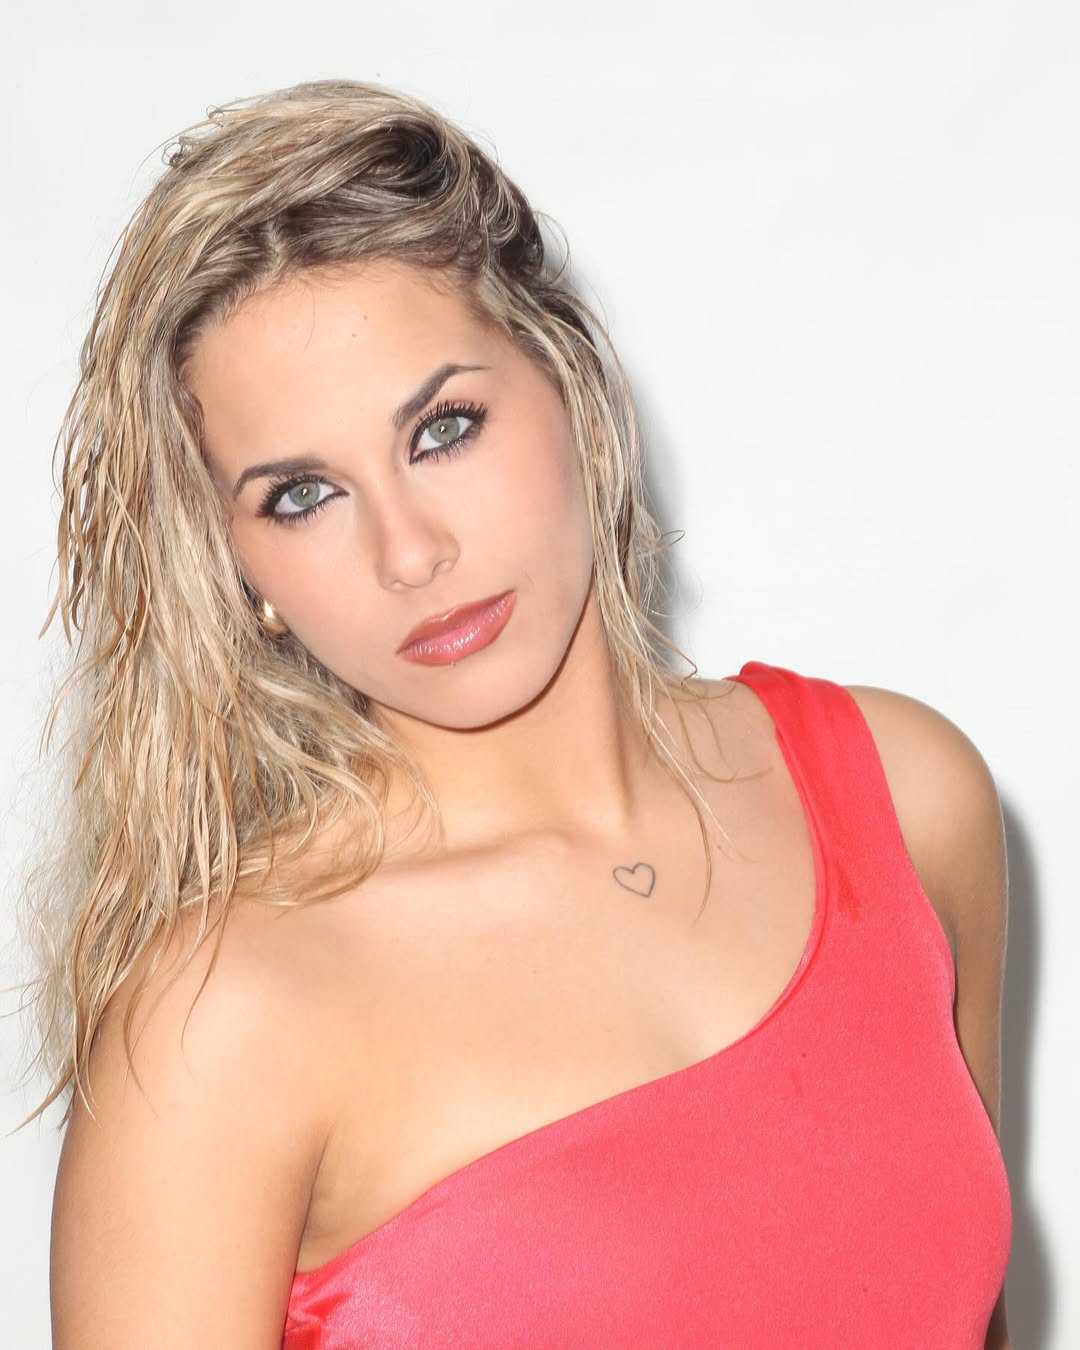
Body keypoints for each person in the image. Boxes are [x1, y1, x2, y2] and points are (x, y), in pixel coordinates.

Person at [22, 78, 1012, 1347]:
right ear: (242, 574)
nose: (409, 552)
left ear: (572, 382)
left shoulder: (907, 795)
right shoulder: (224, 1021)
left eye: (443, 429)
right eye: (302, 496)